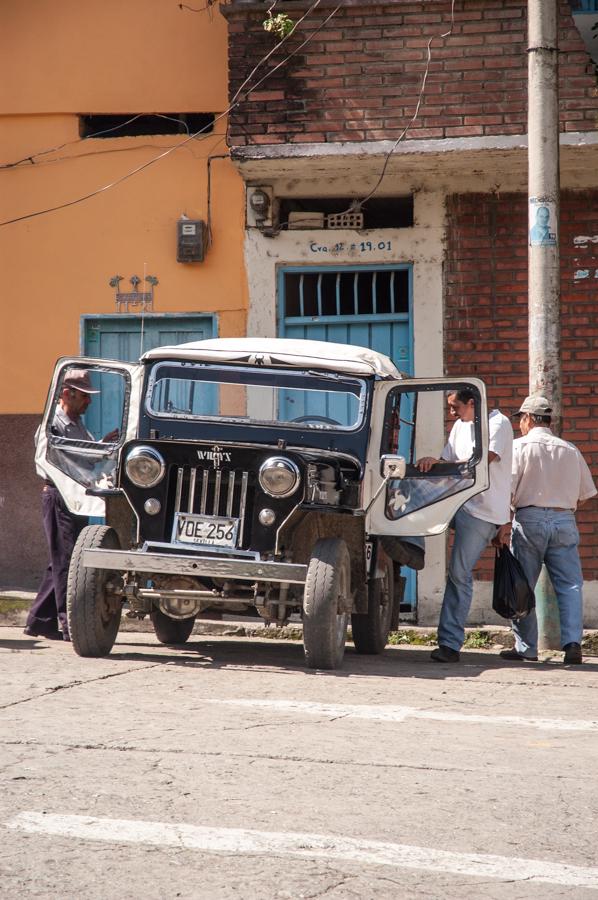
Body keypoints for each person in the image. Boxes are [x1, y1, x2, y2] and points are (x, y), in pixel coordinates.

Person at [495, 396, 597, 665]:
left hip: (529, 519)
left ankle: (527, 647)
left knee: (523, 585)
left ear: (528, 419)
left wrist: (505, 523)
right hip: (564, 520)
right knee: (570, 585)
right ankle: (573, 643)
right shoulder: (570, 449)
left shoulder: (519, 448)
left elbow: (508, 491)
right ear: (548, 421)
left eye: (521, 420)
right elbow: (585, 494)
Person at [417, 390, 513, 662]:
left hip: (481, 511)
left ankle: (450, 644)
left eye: (454, 407)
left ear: (472, 403)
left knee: (459, 573)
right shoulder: (459, 426)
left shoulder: (498, 424)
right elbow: (448, 463)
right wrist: (431, 463)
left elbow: (482, 461)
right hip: (458, 503)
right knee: (408, 518)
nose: (451, 413)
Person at [24, 369, 104, 642]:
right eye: (84, 396)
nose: (89, 402)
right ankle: (69, 622)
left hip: (76, 498)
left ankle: (39, 621)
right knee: (66, 561)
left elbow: (86, 457)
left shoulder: (77, 423)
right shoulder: (52, 425)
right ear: (67, 393)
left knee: (60, 559)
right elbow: (49, 460)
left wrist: (103, 446)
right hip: (59, 496)